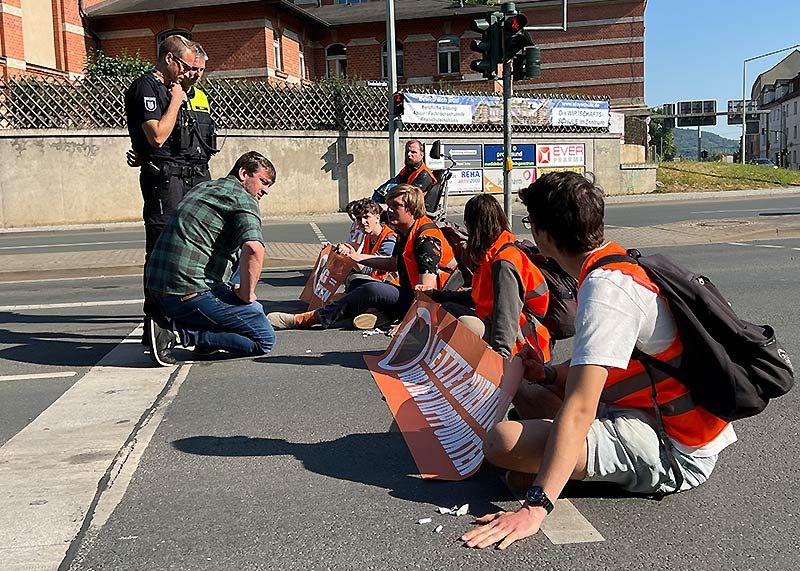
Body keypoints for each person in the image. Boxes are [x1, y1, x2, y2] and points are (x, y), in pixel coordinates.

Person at [461, 172, 736, 550]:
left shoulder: (606, 291)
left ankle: (551, 476)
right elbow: (602, 372)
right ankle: (555, 465)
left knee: (501, 442)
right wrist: (546, 373)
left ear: (544, 236)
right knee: (527, 388)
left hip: (675, 446)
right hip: (638, 411)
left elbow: (579, 408)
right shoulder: (614, 264)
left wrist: (535, 509)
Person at [144, 152, 277, 367]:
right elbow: (254, 249)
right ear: (244, 173)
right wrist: (246, 293)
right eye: (263, 182)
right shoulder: (243, 198)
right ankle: (180, 336)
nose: (265, 190)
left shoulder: (203, 188)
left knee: (234, 257)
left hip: (157, 290)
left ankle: (206, 338)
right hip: (187, 294)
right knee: (264, 338)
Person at [267, 184, 455, 331]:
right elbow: (392, 263)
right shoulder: (405, 232)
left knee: (370, 289)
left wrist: (408, 326)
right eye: (388, 206)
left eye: (396, 206)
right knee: (358, 284)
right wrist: (356, 257)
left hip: (431, 303)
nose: (389, 211)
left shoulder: (426, 239)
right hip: (409, 293)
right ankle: (380, 311)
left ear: (412, 209)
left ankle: (309, 319)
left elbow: (427, 292)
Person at [124, 34, 208, 341]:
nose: (189, 73)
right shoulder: (148, 87)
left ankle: (189, 310)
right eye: (185, 66)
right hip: (165, 181)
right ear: (169, 59)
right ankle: (156, 321)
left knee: (195, 246)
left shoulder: (180, 89)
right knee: (161, 249)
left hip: (190, 176)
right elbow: (158, 136)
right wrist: (175, 100)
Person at [417, 194, 551, 361]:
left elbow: (506, 315)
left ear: (474, 226)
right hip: (501, 324)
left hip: (523, 340)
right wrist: (435, 295)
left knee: (467, 324)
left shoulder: (504, 262)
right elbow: (478, 297)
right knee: (447, 309)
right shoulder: (494, 252)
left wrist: (499, 359)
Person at [343, 198, 399, 291]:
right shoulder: (368, 236)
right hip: (376, 284)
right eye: (358, 218)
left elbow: (368, 270)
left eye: (366, 217)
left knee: (354, 280)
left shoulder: (389, 239)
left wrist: (351, 256)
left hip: (392, 286)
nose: (362, 222)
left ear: (377, 217)